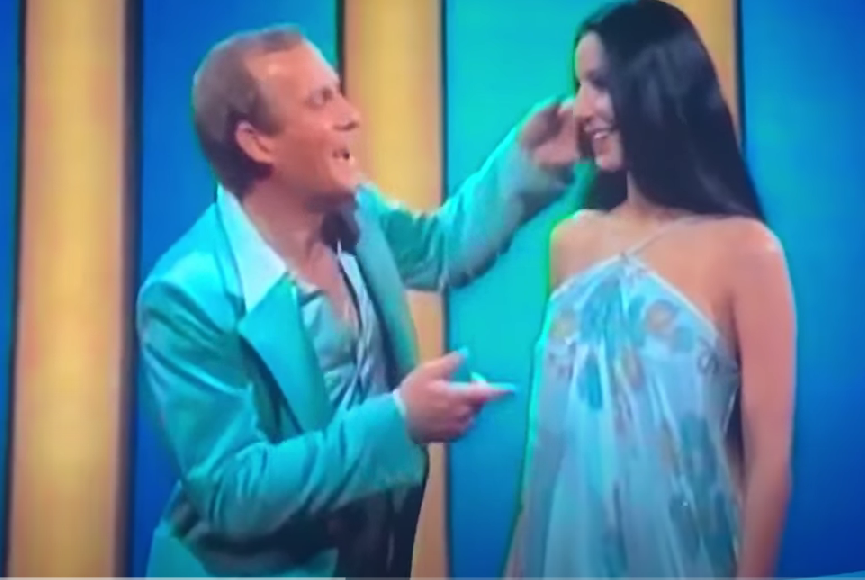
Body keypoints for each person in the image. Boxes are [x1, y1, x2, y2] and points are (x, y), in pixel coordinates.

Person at [136, 24, 586, 578]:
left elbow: (440, 249)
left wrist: (531, 162)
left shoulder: (354, 213)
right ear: (257, 142)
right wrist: (399, 422)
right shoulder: (186, 296)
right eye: (321, 100)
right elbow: (235, 492)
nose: (351, 115)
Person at [505, 1, 795, 578]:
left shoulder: (746, 250)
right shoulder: (570, 243)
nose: (581, 108)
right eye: (578, 86)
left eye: (600, 84)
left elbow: (770, 466)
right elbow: (547, 457)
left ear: (656, 87)